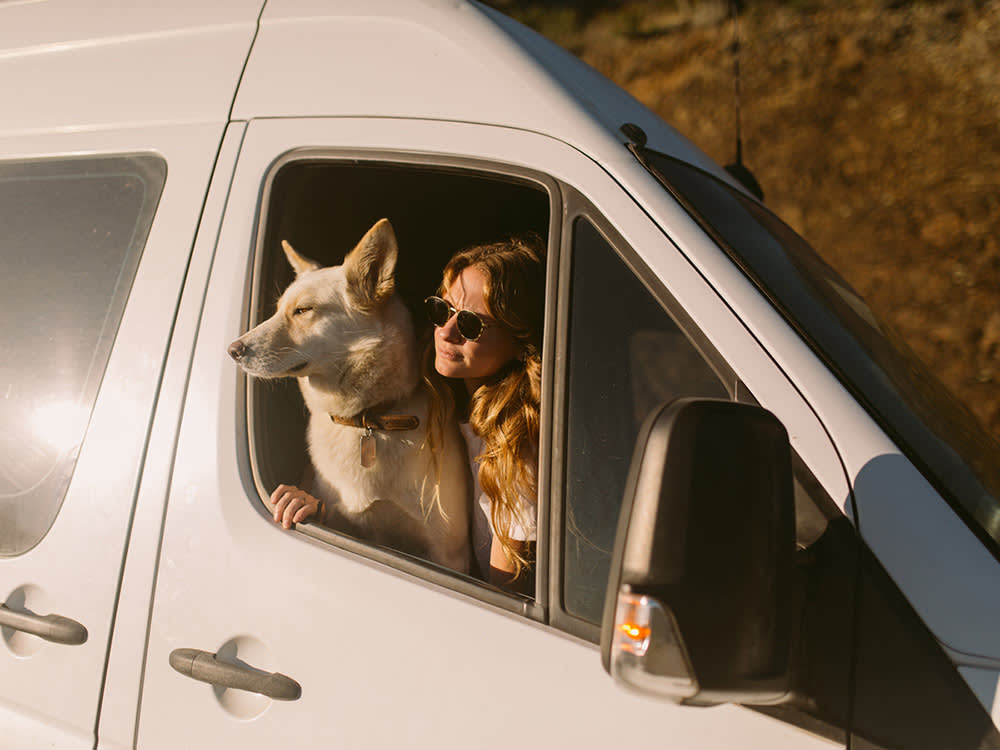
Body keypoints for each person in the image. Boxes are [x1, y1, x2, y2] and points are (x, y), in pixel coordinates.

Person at [423, 235, 545, 595]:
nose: (445, 332)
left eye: (471, 325)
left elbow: (504, 591)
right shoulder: (440, 399)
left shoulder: (518, 440)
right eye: (441, 310)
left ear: (520, 344)